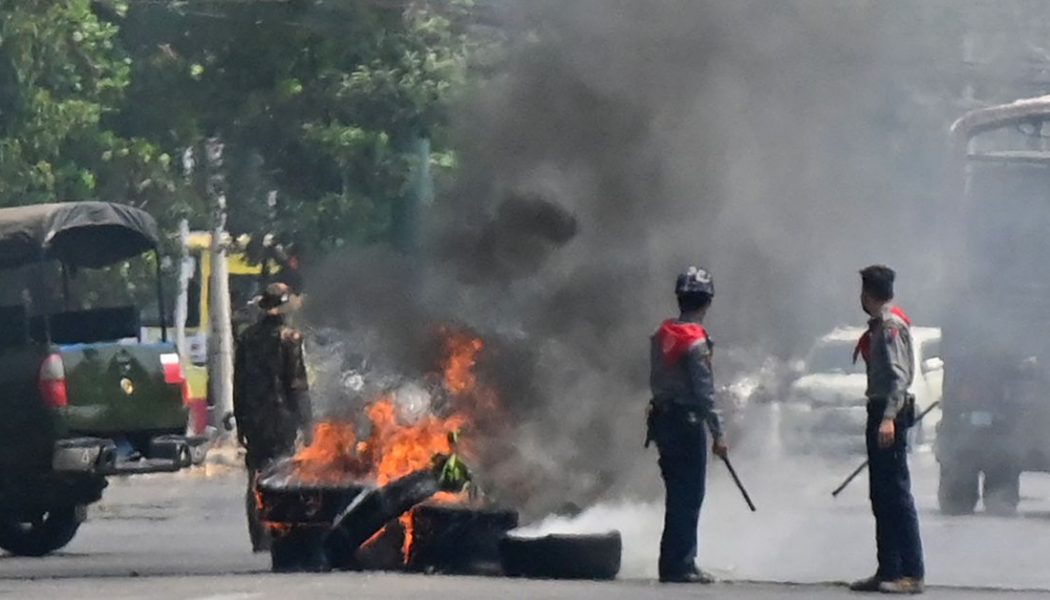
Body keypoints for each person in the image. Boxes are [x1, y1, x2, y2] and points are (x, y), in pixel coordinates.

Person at [647, 266, 728, 584]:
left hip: (663, 421)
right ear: (706, 302)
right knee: (689, 495)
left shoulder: (662, 334)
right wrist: (719, 434)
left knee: (675, 494)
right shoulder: (696, 342)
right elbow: (705, 393)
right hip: (686, 423)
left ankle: (671, 561)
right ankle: (681, 564)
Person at [850, 265, 925, 594]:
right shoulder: (881, 324)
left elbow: (898, 378)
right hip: (881, 409)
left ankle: (911, 573)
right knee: (881, 494)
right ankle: (888, 569)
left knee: (896, 494)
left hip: (888, 411)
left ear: (868, 294)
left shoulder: (890, 326)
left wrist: (888, 419)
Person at [233, 282, 313, 552]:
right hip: (282, 420)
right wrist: (307, 423)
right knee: (282, 475)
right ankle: (279, 532)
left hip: (254, 420)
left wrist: (241, 423)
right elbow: (297, 385)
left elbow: (239, 384)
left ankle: (259, 536)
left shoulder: (247, 338)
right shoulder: (290, 339)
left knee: (256, 476)